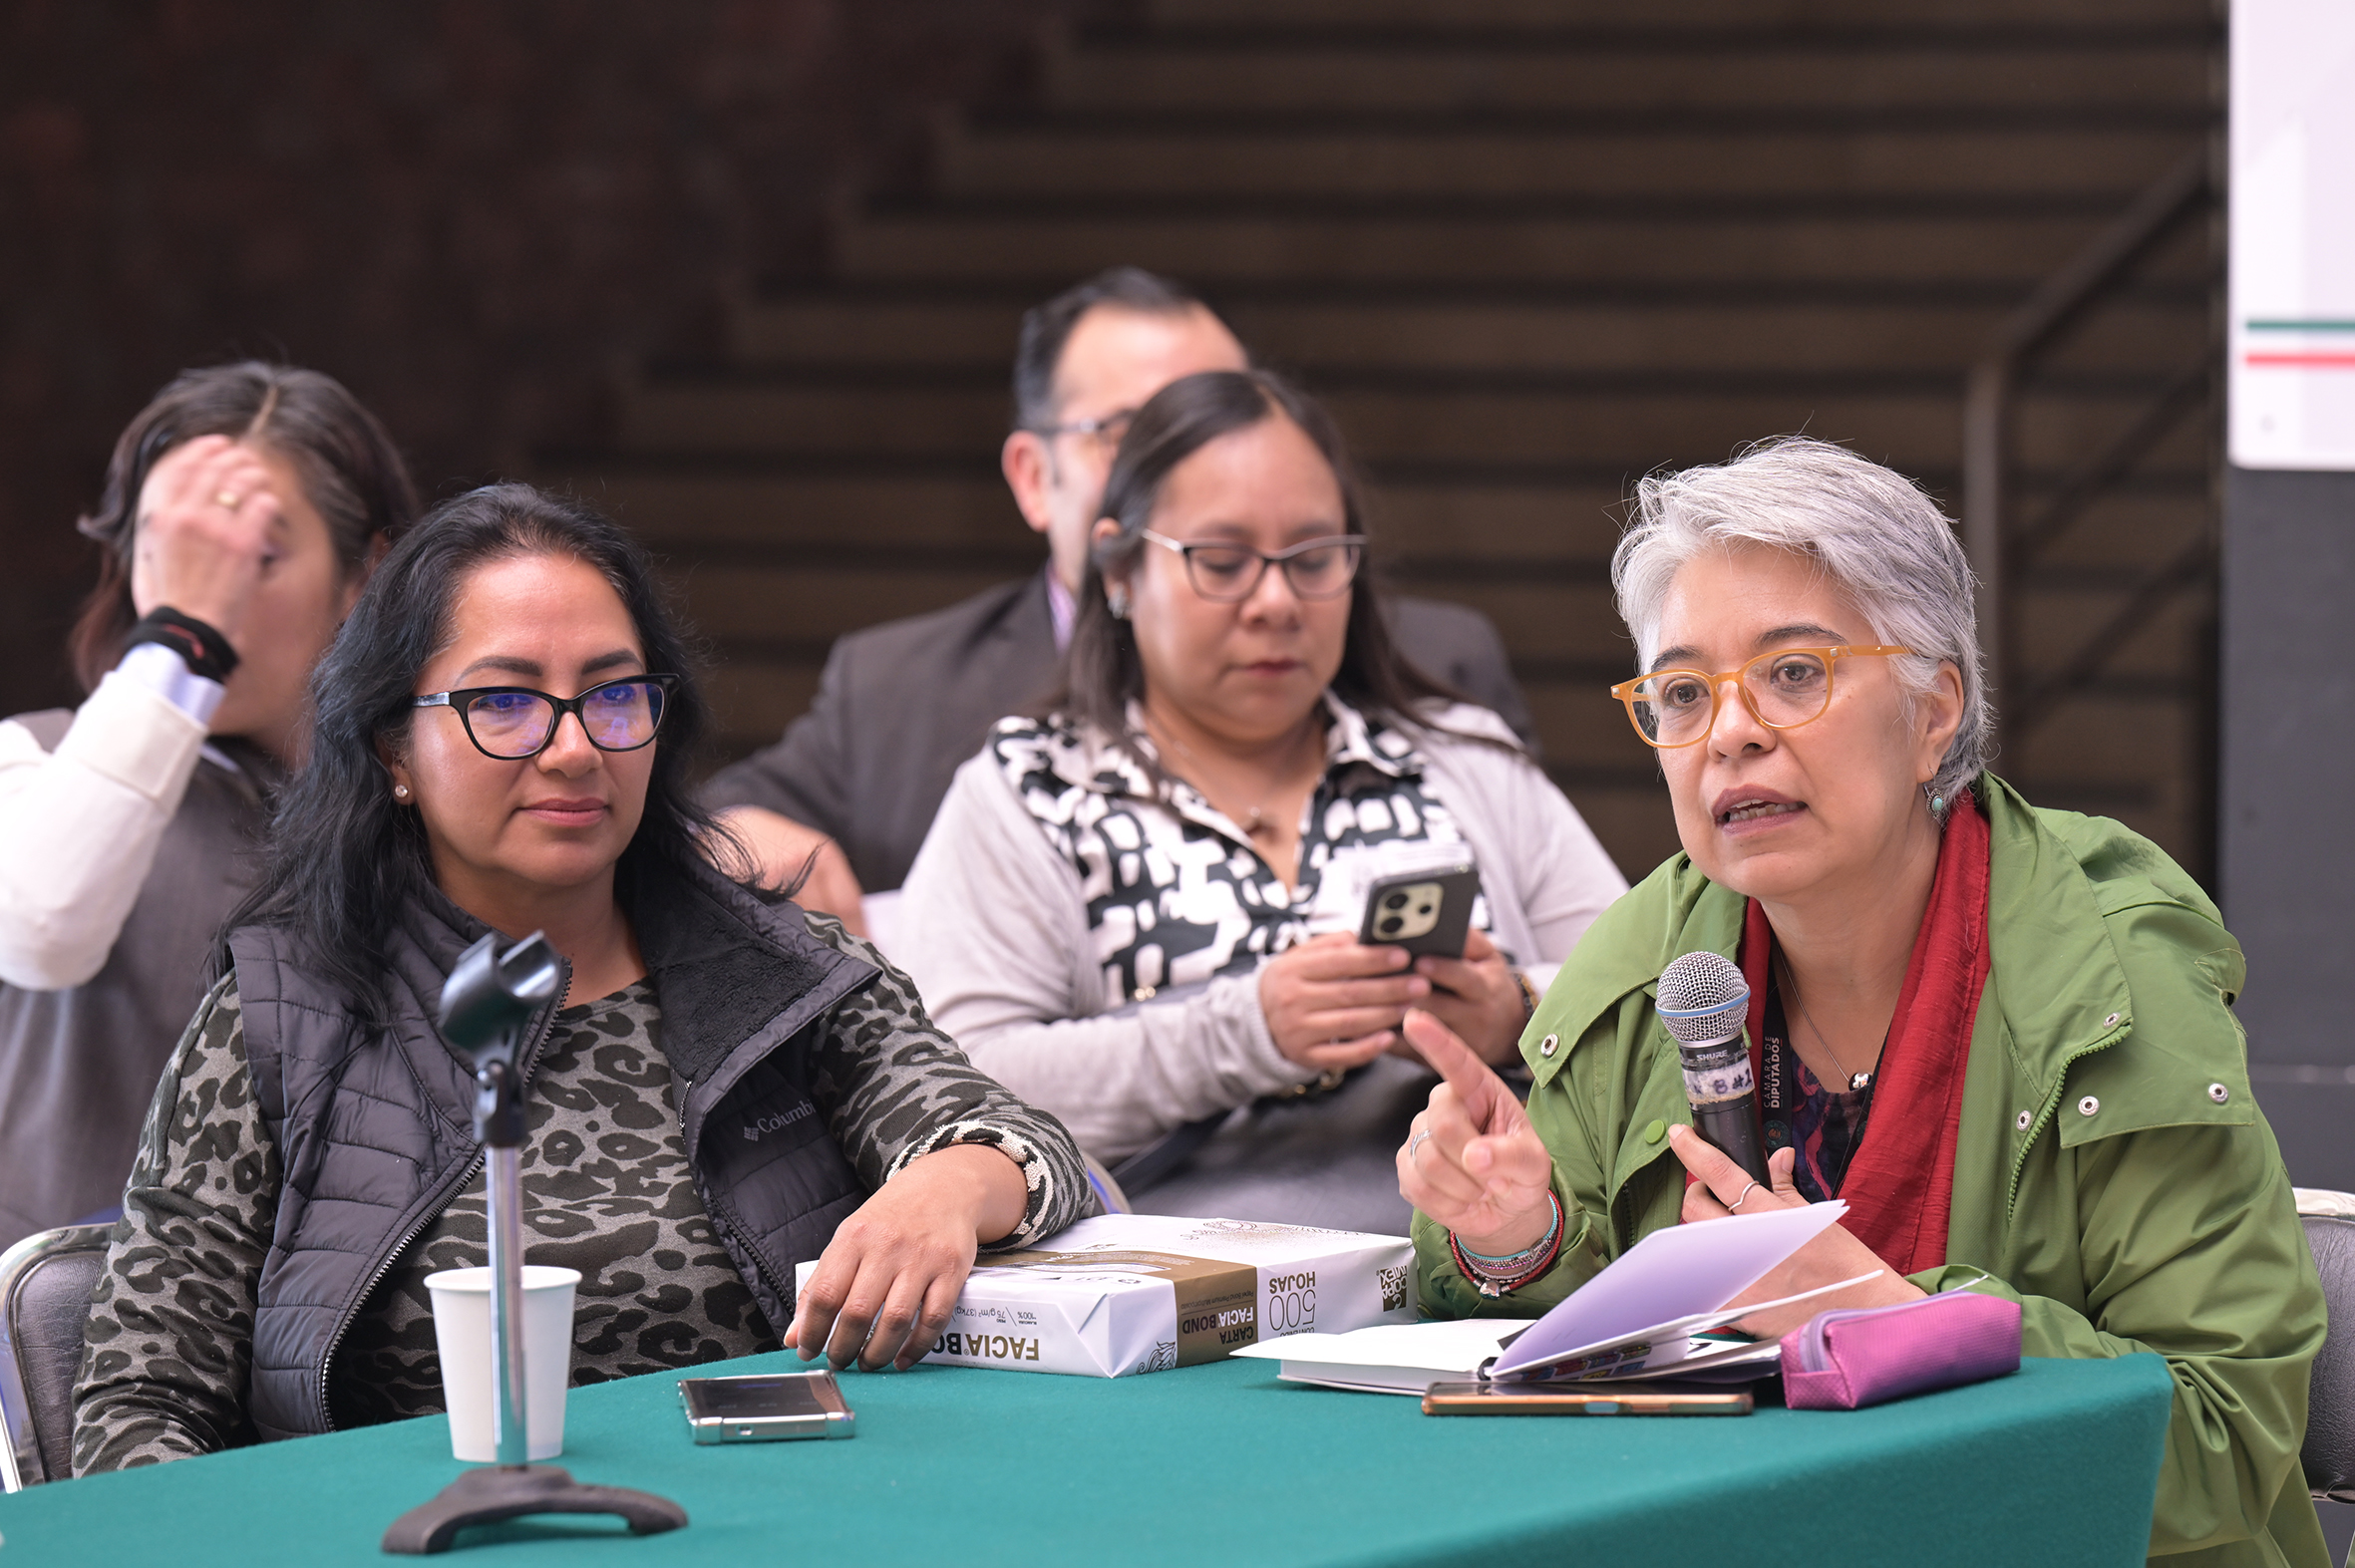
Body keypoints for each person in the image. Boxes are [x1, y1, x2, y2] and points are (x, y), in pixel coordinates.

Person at [1397, 438, 2326, 1567]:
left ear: (1934, 710)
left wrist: (1893, 1320)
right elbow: (1572, 1356)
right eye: (1683, 693)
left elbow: (2224, 1435)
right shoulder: (1647, 965)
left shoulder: (2109, 974)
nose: (1731, 731)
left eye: (1794, 672)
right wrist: (1517, 1238)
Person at [70, 485, 1094, 1472]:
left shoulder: (782, 974)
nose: (572, 748)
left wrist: (947, 1186)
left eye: (612, 696)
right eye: (505, 702)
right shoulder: (281, 1015)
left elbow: (1023, 1147)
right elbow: (137, 1405)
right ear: (394, 747)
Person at [895, 371, 1624, 1235]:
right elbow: (958, 1086)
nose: (1276, 602)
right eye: (1222, 561)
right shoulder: (1029, 791)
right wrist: (1243, 1033)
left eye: (1313, 560)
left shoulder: (1464, 758)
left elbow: (1643, 992)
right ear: (1120, 568)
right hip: (1177, 1290)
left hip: (1493, 1267)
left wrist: (1517, 1011)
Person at [703, 266, 1533, 931]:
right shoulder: (898, 690)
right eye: (1131, 432)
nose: (1192, 464)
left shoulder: (1434, 667)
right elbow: (703, 823)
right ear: (1034, 477)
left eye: (1223, 418)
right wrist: (732, 836)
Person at [0, 362, 417, 1252]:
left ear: (363, 574)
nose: (206, 590)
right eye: (174, 546)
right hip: (54, 1322)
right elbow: (42, 920)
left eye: (253, 556)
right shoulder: (31, 757)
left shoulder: (415, 809)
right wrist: (184, 640)